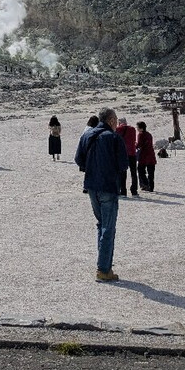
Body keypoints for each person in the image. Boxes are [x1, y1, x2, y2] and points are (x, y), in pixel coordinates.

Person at [74, 107, 128, 282]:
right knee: (108, 228)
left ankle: (103, 264)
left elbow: (78, 159)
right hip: (108, 186)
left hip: (91, 186)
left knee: (101, 225)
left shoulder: (87, 135)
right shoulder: (113, 138)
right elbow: (123, 165)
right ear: (111, 120)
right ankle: (104, 269)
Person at [115, 116, 138, 196]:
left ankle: (123, 191)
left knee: (123, 172)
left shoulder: (117, 129)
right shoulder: (132, 129)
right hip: (132, 152)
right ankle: (134, 191)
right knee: (133, 172)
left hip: (123, 153)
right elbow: (134, 140)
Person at [136, 121, 157, 191]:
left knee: (140, 170)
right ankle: (151, 186)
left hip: (144, 155)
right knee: (151, 172)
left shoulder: (140, 135)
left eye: (137, 127)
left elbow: (139, 145)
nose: (137, 129)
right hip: (151, 154)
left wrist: (134, 145)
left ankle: (146, 184)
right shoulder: (149, 134)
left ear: (141, 128)